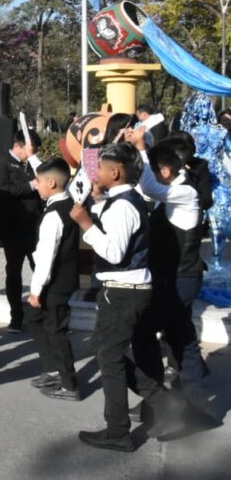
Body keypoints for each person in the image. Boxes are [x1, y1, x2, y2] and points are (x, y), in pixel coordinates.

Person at [69, 142, 181, 452]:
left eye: (101, 168)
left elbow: (114, 252)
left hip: (122, 291)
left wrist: (85, 224)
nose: (96, 173)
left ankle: (118, 430)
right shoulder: (124, 201)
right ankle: (167, 406)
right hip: (125, 290)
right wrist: (96, 207)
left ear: (115, 172)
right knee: (110, 354)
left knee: (109, 357)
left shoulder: (123, 206)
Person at [130, 129, 208, 387]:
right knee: (180, 334)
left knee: (144, 330)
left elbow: (148, 187)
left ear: (164, 171)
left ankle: (156, 399)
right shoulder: (171, 193)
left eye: (152, 168)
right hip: (171, 276)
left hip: (182, 277)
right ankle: (194, 399)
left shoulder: (185, 192)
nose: (149, 173)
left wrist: (141, 147)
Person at [25, 158, 81, 401]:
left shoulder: (54, 214)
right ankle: (53, 369)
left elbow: (47, 256)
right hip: (60, 280)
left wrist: (36, 290)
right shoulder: (65, 204)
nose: (35, 185)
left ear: (51, 183)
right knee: (34, 318)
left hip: (55, 283)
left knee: (56, 330)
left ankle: (69, 384)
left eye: (38, 181)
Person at [0, 131, 43, 333]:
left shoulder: (33, 164)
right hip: (14, 227)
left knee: (41, 268)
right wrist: (30, 185)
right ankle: (17, 317)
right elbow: (1, 188)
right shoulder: (1, 162)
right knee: (14, 271)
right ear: (19, 146)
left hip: (35, 225)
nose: (31, 154)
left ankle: (43, 313)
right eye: (30, 150)